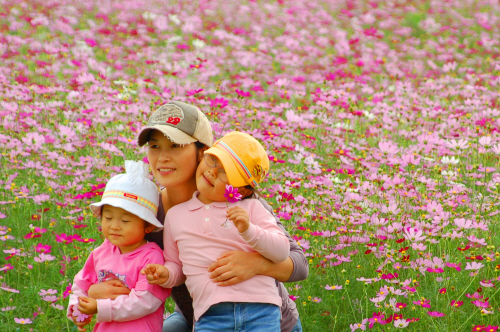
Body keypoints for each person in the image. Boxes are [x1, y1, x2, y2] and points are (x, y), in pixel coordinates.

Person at [87, 101, 308, 332]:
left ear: (203, 152)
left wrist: (256, 264)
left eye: (175, 146)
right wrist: (93, 290)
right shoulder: (145, 210)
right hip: (200, 319)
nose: (162, 157)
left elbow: (300, 265)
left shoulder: (238, 199)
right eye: (154, 146)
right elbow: (111, 258)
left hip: (269, 319)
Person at [142, 131, 289, 331]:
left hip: (261, 310)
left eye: (225, 172)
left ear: (243, 191)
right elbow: (177, 266)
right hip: (210, 315)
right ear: (204, 155)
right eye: (213, 160)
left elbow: (281, 251)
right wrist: (165, 274)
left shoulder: (252, 208)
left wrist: (249, 231)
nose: (212, 171)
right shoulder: (176, 216)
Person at [67, 160, 171, 332]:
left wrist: (100, 308)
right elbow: (81, 286)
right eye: (108, 218)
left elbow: (145, 301)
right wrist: (79, 310)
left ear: (148, 226)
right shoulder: (101, 252)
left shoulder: (151, 257)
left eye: (125, 220)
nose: (114, 226)